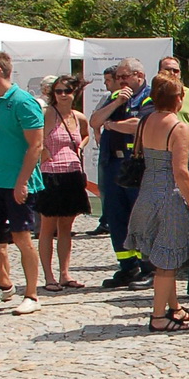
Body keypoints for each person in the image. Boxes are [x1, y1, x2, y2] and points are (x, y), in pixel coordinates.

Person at [125, 72, 189, 331]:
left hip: (148, 190)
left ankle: (174, 307)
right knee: (168, 260)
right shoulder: (179, 127)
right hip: (169, 195)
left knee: (161, 257)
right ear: (179, 99)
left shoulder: (145, 121)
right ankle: (158, 316)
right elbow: (181, 171)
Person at [0, 50, 44, 315]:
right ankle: (4, 285)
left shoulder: (24, 102)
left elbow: (36, 145)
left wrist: (22, 182)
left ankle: (33, 295)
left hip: (17, 181)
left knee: (21, 238)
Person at [92, 59, 153, 288]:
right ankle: (127, 267)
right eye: (117, 78)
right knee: (116, 217)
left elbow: (139, 125)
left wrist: (111, 125)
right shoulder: (114, 97)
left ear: (138, 75)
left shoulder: (149, 96)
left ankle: (148, 267)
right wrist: (116, 103)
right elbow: (95, 121)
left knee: (140, 217)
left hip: (136, 165)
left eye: (124, 77)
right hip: (112, 163)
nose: (120, 81)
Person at [34, 75, 91, 292]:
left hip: (73, 173)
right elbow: (32, 137)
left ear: (75, 92)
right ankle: (49, 276)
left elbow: (85, 134)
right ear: (52, 94)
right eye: (58, 91)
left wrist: (80, 148)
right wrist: (44, 151)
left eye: (67, 90)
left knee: (66, 227)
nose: (63, 95)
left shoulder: (78, 117)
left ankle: (64, 273)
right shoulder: (47, 114)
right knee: (48, 227)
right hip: (51, 174)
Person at [86, 67, 118, 236]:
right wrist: (98, 133)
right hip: (107, 148)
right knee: (104, 186)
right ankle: (105, 220)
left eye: (108, 80)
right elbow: (95, 119)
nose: (106, 84)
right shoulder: (107, 98)